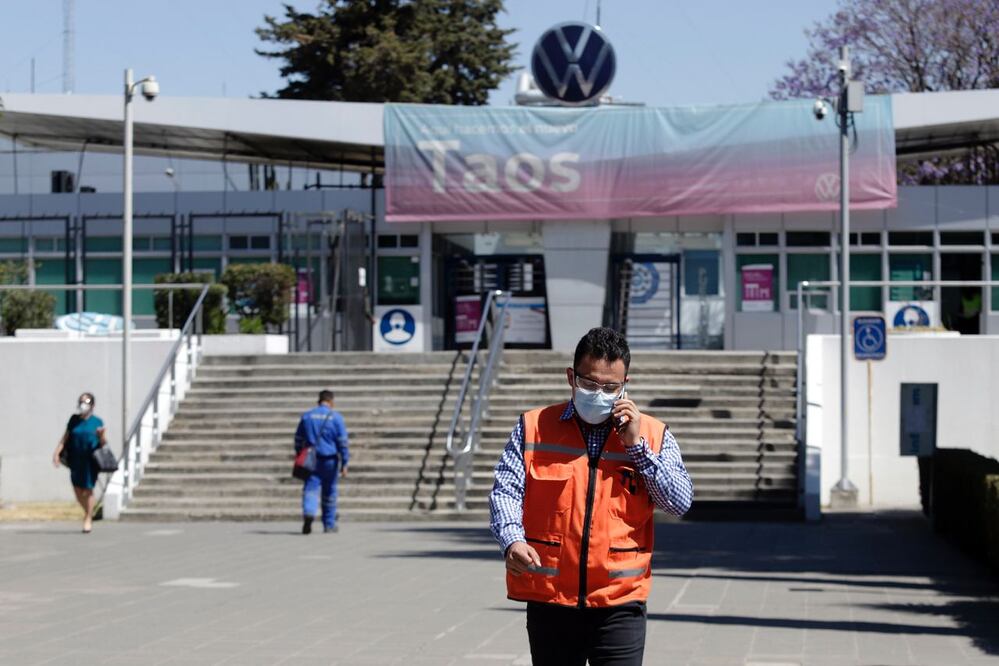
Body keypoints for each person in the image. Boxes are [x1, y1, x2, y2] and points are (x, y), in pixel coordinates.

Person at [489, 327, 694, 665]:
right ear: (571, 377)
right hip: (551, 601)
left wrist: (636, 447)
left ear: (625, 384)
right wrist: (512, 540)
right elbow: (506, 490)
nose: (599, 394)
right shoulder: (534, 426)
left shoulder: (653, 434)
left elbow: (679, 502)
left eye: (610, 387)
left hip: (620, 602)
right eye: (589, 383)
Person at [51, 392, 107, 534]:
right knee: (77, 489)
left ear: (92, 405)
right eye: (81, 401)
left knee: (88, 489)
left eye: (86, 402)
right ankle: (88, 512)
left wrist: (101, 436)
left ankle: (88, 518)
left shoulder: (97, 422)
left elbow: (103, 443)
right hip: (75, 459)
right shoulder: (74, 420)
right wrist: (57, 453)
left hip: (90, 460)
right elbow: (65, 438)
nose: (83, 404)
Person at [295, 389, 349, 534]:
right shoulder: (336, 417)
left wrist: (299, 454)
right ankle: (329, 524)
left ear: (319, 401)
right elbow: (343, 442)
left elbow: (298, 439)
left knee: (310, 488)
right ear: (331, 401)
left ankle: (309, 512)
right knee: (329, 491)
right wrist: (345, 462)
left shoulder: (307, 416)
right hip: (330, 460)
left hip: (311, 459)